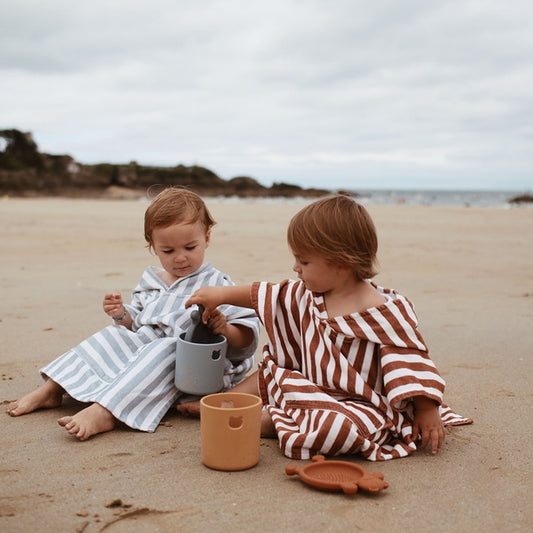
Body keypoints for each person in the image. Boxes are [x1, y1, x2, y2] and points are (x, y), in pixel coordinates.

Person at [181, 194, 472, 461]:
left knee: (342, 430)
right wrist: (220, 295)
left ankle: (268, 421)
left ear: (342, 264)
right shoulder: (308, 293)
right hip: (307, 384)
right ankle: (228, 403)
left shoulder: (383, 312)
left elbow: (411, 361)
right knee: (272, 372)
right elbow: (267, 294)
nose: (296, 268)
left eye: (304, 261)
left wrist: (426, 409)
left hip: (360, 403)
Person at [7, 187, 260, 440]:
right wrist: (121, 314)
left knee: (164, 349)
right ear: (153, 247)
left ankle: (106, 411)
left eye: (190, 247)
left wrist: (224, 328)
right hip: (145, 349)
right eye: (168, 251)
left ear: (206, 238)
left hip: (196, 366)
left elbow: (246, 341)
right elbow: (135, 324)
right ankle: (54, 388)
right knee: (112, 337)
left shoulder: (218, 285)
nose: (180, 258)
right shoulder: (152, 280)